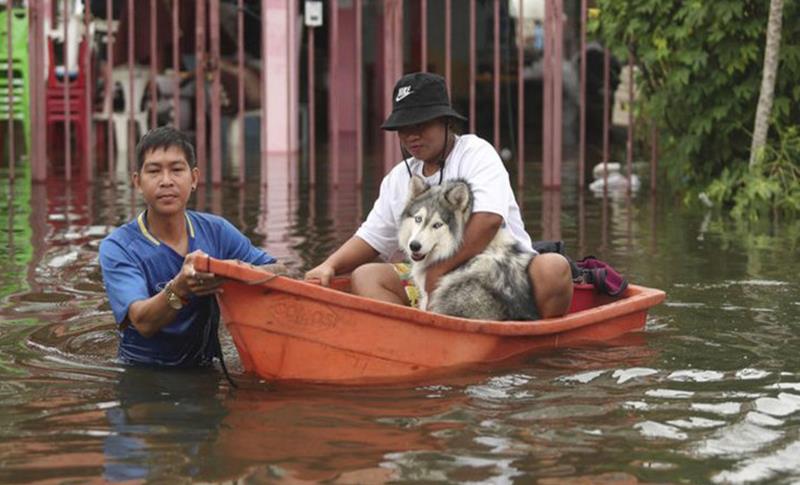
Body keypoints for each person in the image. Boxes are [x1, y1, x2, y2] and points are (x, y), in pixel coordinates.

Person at [305, 72, 573, 318]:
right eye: (404, 127)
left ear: (446, 122)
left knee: (554, 268)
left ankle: (525, 339)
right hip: (429, 279)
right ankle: (413, 343)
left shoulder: (476, 153)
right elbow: (372, 237)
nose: (412, 135)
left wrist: (441, 269)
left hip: (499, 272)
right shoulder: (398, 178)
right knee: (365, 276)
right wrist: (329, 265)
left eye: (421, 124)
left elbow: (489, 219)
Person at [99, 126, 279, 367]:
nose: (166, 181)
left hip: (206, 367)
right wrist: (180, 289)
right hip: (142, 373)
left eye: (176, 170)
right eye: (154, 171)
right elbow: (142, 321)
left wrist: (235, 272)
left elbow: (280, 271)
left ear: (194, 178)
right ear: (137, 182)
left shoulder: (217, 231)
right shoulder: (118, 246)